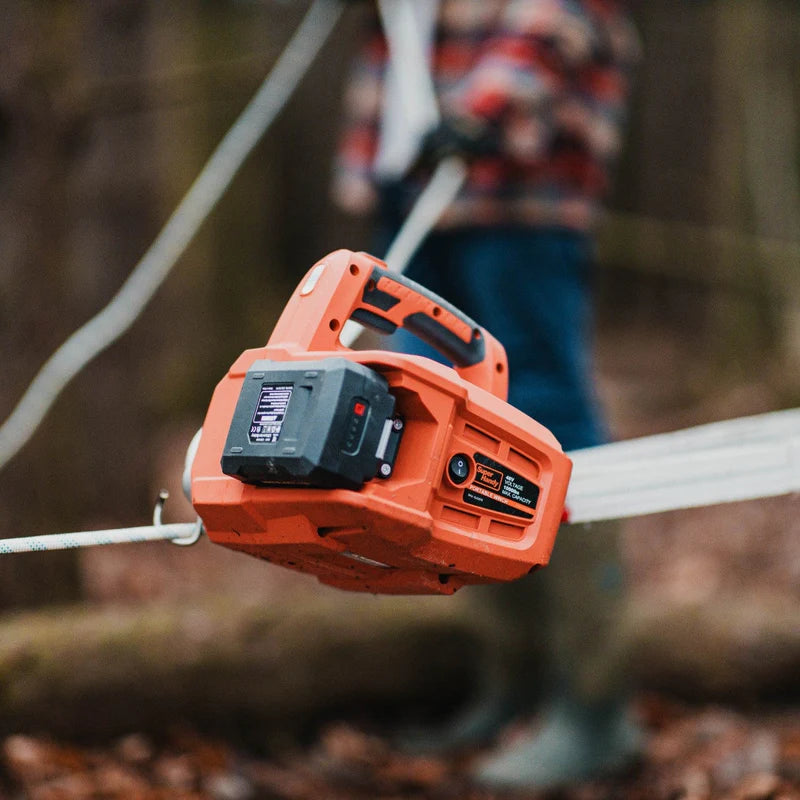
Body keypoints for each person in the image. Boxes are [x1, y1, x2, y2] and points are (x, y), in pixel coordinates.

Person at [332, 0, 641, 789]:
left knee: (549, 424)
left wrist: (480, 111)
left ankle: (596, 708)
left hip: (519, 191)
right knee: (441, 430)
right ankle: (515, 686)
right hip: (417, 193)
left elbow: (562, 18)